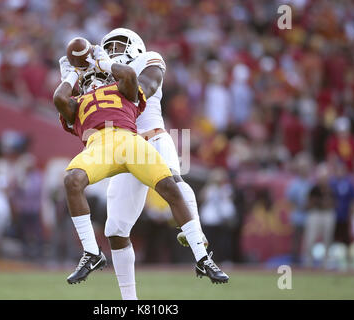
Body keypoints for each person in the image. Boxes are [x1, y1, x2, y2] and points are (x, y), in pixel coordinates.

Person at [53, 44, 228, 290]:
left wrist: (102, 63)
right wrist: (72, 74)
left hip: (131, 140)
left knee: (170, 185)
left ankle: (202, 257)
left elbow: (131, 77)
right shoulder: (78, 101)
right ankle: (91, 253)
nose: (94, 80)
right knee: (72, 181)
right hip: (99, 145)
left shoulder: (123, 88)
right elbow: (59, 99)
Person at [99, 28, 210, 300]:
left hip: (152, 138)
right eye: (109, 47)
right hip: (124, 150)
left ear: (135, 47)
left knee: (173, 180)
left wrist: (102, 67)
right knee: (115, 229)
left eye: (119, 46)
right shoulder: (102, 75)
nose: (114, 52)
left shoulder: (149, 59)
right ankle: (130, 301)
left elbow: (141, 90)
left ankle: (196, 236)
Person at [302, 164, 335, 268]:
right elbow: (308, 204)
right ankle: (308, 262)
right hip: (315, 213)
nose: (323, 180)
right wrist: (318, 202)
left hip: (327, 214)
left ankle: (325, 263)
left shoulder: (331, 189)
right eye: (322, 178)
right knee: (310, 239)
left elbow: (332, 203)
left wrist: (322, 202)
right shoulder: (314, 189)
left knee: (327, 239)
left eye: (325, 178)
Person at [286, 153, 312, 265]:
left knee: (309, 240)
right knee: (296, 240)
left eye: (305, 167)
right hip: (298, 215)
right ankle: (295, 261)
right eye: (302, 168)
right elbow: (290, 199)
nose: (304, 170)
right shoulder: (295, 183)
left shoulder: (311, 182)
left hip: (310, 215)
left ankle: (308, 261)